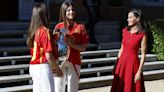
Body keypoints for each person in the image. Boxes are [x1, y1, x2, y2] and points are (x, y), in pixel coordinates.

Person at [53, 1, 89, 92]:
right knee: (58, 88)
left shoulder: (80, 27)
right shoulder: (58, 27)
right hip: (60, 62)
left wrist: (71, 44)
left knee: (72, 89)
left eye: (72, 10)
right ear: (64, 12)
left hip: (74, 61)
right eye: (68, 10)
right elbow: (53, 45)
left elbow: (84, 47)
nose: (71, 12)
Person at [26, 3, 63, 92]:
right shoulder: (44, 31)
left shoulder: (33, 31)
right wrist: (57, 68)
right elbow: (48, 56)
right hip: (43, 67)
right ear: (44, 15)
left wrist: (53, 38)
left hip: (33, 67)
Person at [111, 9, 147, 92]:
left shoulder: (142, 34)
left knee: (131, 87)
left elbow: (143, 54)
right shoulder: (125, 31)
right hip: (122, 64)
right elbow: (121, 49)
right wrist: (116, 65)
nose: (128, 19)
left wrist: (139, 72)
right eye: (128, 17)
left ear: (137, 19)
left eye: (130, 17)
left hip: (133, 65)